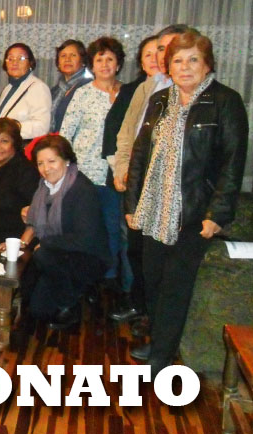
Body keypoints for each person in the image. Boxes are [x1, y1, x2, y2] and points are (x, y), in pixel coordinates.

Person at [125, 31, 248, 375]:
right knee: (153, 280)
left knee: (175, 286)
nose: (185, 66)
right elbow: (139, 155)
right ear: (168, 66)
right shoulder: (160, 100)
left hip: (194, 211)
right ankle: (159, 342)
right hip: (154, 207)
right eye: (178, 60)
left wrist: (217, 213)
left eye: (193, 59)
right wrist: (132, 204)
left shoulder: (226, 101)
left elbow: (233, 162)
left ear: (207, 64)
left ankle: (162, 357)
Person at [112, 25, 194, 338]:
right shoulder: (149, 87)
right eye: (160, 48)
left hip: (169, 191)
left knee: (157, 258)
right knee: (135, 250)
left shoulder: (190, 92)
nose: (163, 54)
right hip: (137, 181)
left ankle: (153, 319)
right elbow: (127, 133)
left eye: (171, 48)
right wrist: (122, 168)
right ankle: (140, 306)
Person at [10, 135, 109, 330]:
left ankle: (70, 304)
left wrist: (47, 243)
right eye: (40, 163)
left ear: (67, 160)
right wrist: (19, 246)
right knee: (35, 308)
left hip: (87, 256)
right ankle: (68, 289)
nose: (46, 168)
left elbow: (85, 240)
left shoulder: (82, 189)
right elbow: (34, 224)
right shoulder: (44, 187)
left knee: (42, 256)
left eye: (52, 161)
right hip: (57, 253)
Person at [102, 35, 159, 324]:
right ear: (140, 62)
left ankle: (146, 303)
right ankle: (131, 294)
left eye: (160, 52)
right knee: (129, 239)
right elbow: (117, 131)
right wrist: (119, 169)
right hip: (130, 176)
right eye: (148, 54)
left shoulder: (177, 91)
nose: (154, 58)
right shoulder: (135, 90)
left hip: (158, 180)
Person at [60, 36, 125, 288]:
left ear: (118, 64)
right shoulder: (82, 93)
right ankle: (82, 279)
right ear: (92, 64)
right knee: (84, 229)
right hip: (84, 173)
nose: (105, 64)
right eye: (99, 59)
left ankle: (108, 281)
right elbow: (66, 134)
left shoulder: (129, 94)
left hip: (115, 175)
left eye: (110, 59)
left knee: (111, 228)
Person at [0, 118, 39, 245]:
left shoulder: (26, 171)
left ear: (15, 143)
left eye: (4, 141)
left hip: (17, 244)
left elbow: (38, 215)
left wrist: (19, 244)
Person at [0, 43, 51, 142]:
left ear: (30, 63)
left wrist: (11, 129)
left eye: (21, 58)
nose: (14, 63)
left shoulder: (38, 87)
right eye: (10, 59)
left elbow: (42, 127)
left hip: (21, 146)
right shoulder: (8, 88)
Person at [49, 40, 92, 132]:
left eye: (73, 55)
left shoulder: (89, 87)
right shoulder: (54, 91)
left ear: (83, 61)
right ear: (58, 63)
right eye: (63, 56)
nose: (67, 59)